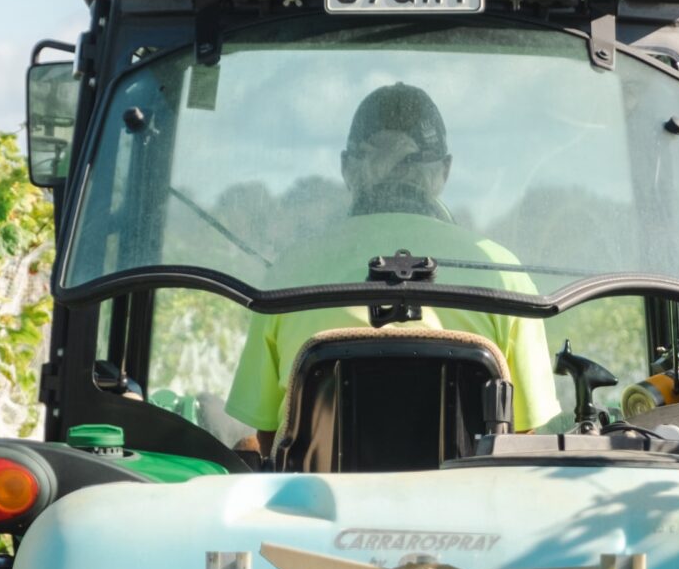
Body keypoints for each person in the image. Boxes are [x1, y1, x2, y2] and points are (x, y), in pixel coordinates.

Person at [226, 82, 559, 447]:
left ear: (347, 168)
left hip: (314, 502)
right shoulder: (500, 273)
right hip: (466, 501)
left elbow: (271, 433)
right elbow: (523, 436)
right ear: (444, 171)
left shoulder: (288, 275)